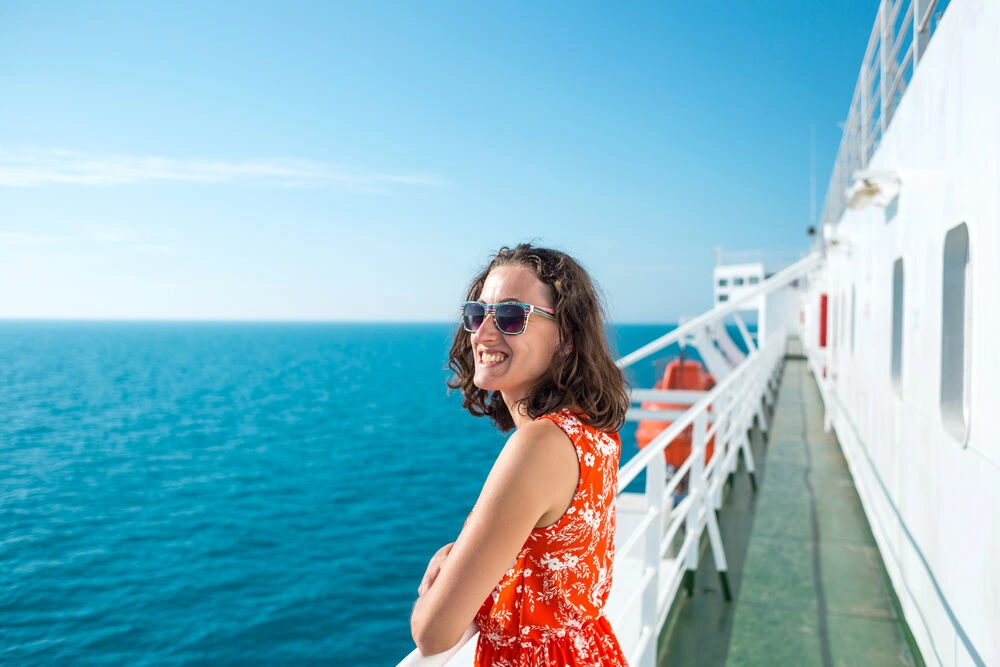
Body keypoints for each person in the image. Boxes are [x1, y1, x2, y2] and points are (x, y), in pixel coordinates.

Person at [411, 243, 630, 666]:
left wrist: (435, 594)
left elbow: (433, 634)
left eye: (511, 317)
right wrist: (463, 553)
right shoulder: (591, 433)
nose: (484, 333)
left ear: (566, 337)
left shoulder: (538, 445)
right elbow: (548, 551)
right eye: (478, 315)